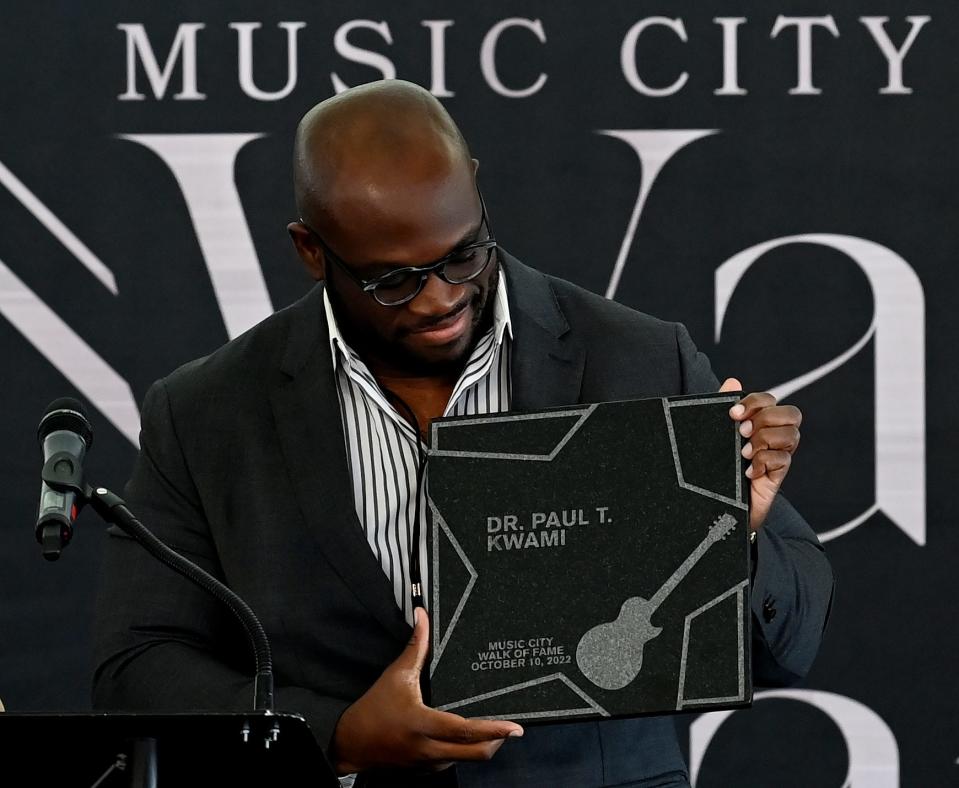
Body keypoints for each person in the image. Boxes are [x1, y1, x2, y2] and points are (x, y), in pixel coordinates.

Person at [92, 80, 834, 787]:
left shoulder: (640, 358)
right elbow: (138, 665)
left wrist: (737, 531)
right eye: (393, 280)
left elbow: (789, 648)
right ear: (310, 250)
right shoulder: (206, 411)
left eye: (461, 254)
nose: (440, 299)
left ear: (474, 188)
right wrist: (335, 734)